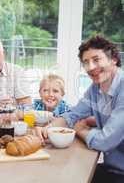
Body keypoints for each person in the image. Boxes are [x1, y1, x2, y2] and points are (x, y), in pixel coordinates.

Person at [36, 35, 124, 183]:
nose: (90, 67)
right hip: (112, 168)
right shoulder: (95, 88)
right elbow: (73, 114)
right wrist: (48, 129)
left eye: (96, 60)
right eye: (86, 62)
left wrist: (80, 130)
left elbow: (105, 141)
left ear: (113, 59)